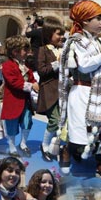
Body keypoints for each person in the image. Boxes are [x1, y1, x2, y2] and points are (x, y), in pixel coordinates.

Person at [58, 0, 101, 178]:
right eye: (98, 18)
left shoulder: (99, 42)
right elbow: (84, 66)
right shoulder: (76, 42)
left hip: (100, 91)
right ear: (86, 21)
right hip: (82, 92)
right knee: (81, 129)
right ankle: (66, 150)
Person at [1, 36, 36, 156]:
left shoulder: (25, 66)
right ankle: (12, 146)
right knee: (11, 123)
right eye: (25, 50)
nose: (27, 52)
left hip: (25, 101)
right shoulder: (7, 66)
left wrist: (35, 83)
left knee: (27, 121)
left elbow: (31, 78)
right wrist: (31, 86)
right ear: (15, 51)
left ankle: (23, 143)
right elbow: (14, 82)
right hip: (13, 100)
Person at [36, 24, 64, 161]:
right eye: (58, 34)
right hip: (50, 90)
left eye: (62, 34)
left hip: (63, 89)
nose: (61, 37)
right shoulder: (43, 50)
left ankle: (55, 146)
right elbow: (41, 70)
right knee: (55, 119)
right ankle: (45, 145)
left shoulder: (63, 49)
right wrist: (57, 64)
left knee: (62, 121)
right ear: (49, 35)